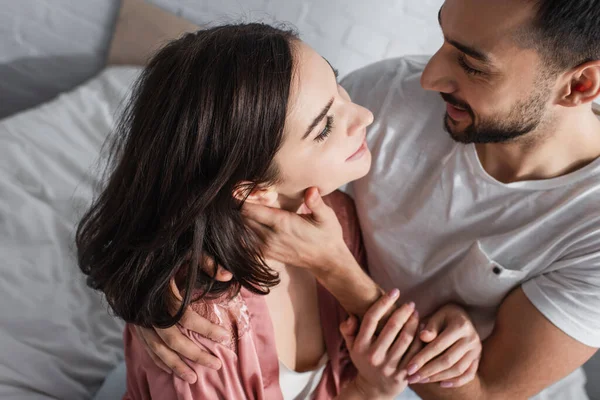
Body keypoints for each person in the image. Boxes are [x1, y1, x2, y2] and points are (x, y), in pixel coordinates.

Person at [136, 1, 600, 399]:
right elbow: (225, 150)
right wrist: (147, 278)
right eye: (443, 38)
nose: (430, 76)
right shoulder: (389, 95)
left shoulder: (590, 226)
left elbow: (482, 392)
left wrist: (337, 269)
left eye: (473, 64)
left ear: (580, 86)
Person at [78, 24, 480, 400]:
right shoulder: (201, 336)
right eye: (324, 127)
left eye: (338, 87)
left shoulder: (336, 215)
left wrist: (455, 324)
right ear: (254, 191)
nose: (364, 116)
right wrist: (369, 391)